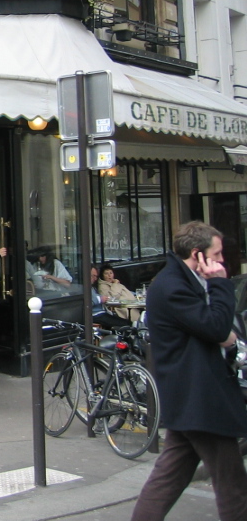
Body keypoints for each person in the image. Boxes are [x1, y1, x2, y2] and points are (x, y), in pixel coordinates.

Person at [131, 221, 247, 521]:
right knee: (232, 483)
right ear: (198, 254)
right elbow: (216, 326)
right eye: (217, 254)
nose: (221, 261)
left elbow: (208, 328)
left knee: (170, 477)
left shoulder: (182, 281)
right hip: (200, 397)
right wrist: (222, 283)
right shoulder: (173, 286)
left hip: (192, 397)